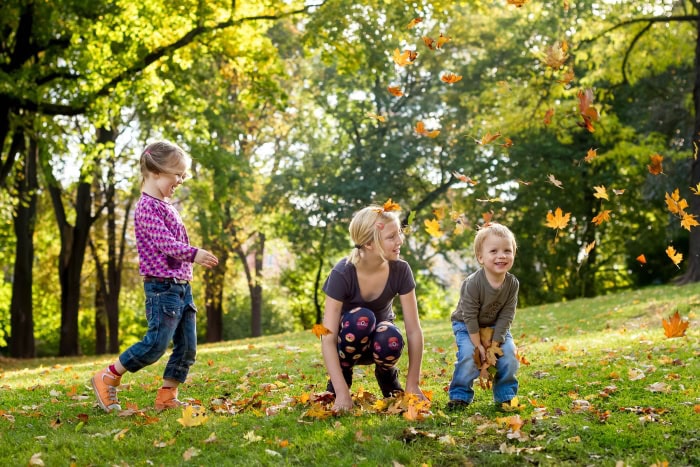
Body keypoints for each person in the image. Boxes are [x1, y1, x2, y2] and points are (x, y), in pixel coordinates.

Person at [91, 141, 219, 413]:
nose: (181, 180)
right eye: (178, 174)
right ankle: (109, 375)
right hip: (162, 288)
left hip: (182, 288)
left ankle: (167, 396)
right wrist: (194, 254)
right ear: (158, 171)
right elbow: (165, 244)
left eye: (183, 175)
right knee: (155, 345)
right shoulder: (146, 207)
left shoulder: (166, 205)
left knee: (187, 348)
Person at [321, 202, 426, 412]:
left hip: (382, 345)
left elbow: (413, 330)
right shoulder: (343, 273)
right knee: (363, 318)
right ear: (369, 243)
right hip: (348, 344)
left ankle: (386, 375)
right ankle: (342, 377)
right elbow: (328, 336)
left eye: (399, 234)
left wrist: (413, 383)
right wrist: (341, 393)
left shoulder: (401, 270)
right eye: (391, 237)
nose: (399, 241)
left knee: (389, 333)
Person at [447, 223, 520, 409]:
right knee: (468, 355)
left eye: (507, 250)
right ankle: (459, 396)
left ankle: (505, 396)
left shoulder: (512, 284)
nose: (501, 255)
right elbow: (470, 317)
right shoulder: (473, 284)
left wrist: (495, 344)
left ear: (513, 254)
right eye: (493, 251)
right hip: (466, 325)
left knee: (509, 355)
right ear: (481, 257)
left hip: (495, 326)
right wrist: (479, 345)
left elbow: (506, 315)